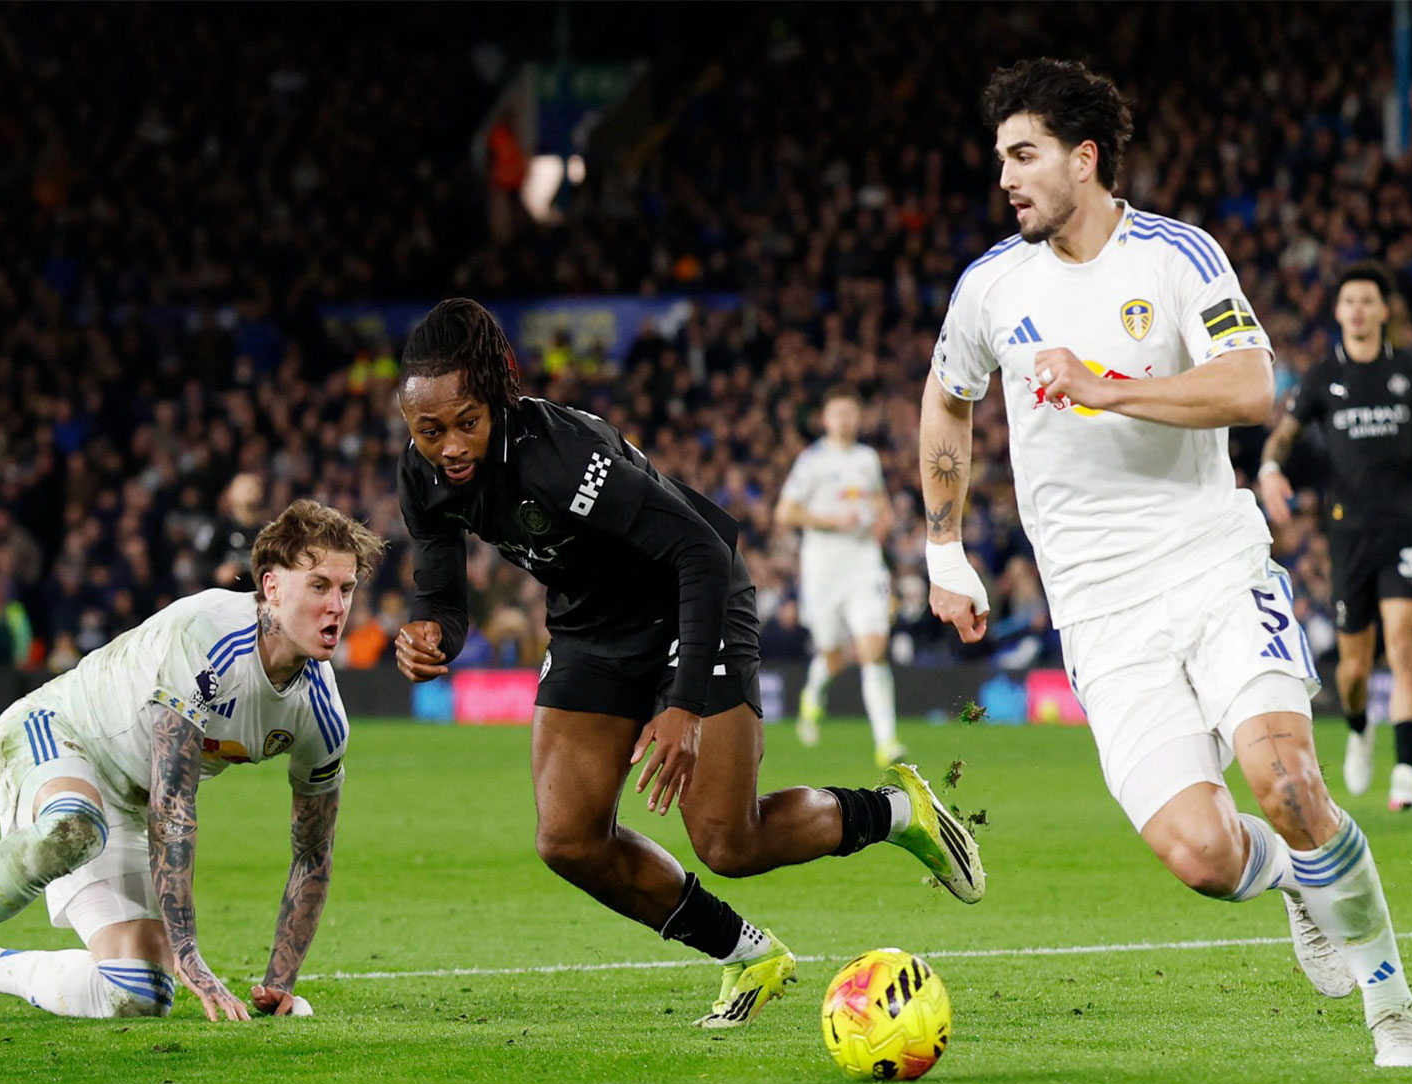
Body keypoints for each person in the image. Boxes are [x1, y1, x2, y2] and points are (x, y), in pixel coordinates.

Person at [919, 58, 1412, 1067]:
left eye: (1022, 156)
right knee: (1200, 854)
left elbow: (1251, 386)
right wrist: (943, 544)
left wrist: (1106, 385)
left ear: (1084, 156)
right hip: (1099, 611)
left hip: (1210, 558)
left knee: (1283, 773)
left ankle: (1394, 1012)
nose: (1006, 179)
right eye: (998, 160)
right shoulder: (987, 288)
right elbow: (947, 395)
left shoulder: (1174, 256)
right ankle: (1298, 878)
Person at [394, 298, 984, 1029]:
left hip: (689, 596)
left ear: (497, 397)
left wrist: (679, 704)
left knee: (729, 841)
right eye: (429, 431)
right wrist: (431, 636)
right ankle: (746, 953)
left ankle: (898, 812)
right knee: (569, 838)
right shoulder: (423, 477)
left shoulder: (562, 456)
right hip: (591, 625)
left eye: (466, 423)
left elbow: (699, 551)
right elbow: (442, 593)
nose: (448, 446)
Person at [0, 500, 384, 1027]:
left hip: (129, 796)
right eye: (319, 586)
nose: (337, 606)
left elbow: (313, 852)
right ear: (271, 586)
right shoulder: (207, 637)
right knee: (72, 825)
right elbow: (173, 808)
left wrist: (279, 981)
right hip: (56, 730)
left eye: (346, 588)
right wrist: (189, 952)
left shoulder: (322, 713)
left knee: (141, 992)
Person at [1257, 263, 1412, 811]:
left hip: (1406, 525)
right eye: (1349, 301)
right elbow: (1282, 438)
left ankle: (1405, 775)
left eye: (1368, 300)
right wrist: (1269, 472)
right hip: (1348, 533)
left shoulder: (1410, 371)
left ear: (1384, 311)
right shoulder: (1322, 377)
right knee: (1354, 669)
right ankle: (1360, 727)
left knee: (1404, 642)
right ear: (1338, 313)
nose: (1358, 309)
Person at [774, 388, 905, 767]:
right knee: (833, 653)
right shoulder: (812, 461)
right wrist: (832, 520)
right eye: (838, 413)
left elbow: (878, 500)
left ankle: (887, 742)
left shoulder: (867, 458)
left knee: (872, 649)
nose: (845, 420)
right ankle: (813, 693)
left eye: (851, 412)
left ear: (859, 418)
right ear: (826, 420)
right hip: (824, 567)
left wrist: (884, 518)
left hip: (864, 562)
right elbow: (785, 513)